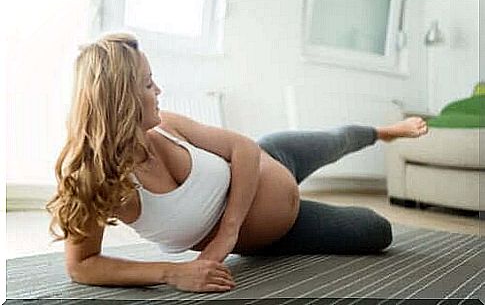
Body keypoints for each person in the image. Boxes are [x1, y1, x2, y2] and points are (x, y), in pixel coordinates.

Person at [46, 33, 428, 293]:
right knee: (377, 231)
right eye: (148, 84)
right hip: (281, 231)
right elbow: (82, 265)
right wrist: (172, 273)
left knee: (338, 138)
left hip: (274, 156)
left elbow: (244, 149)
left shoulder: (167, 125)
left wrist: (228, 232)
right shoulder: (96, 180)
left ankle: (385, 131)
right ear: (119, 99)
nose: (159, 91)